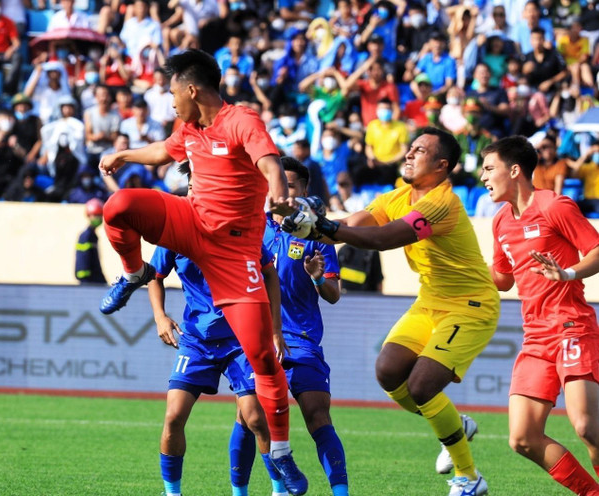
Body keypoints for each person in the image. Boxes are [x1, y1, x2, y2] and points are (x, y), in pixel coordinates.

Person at [97, 49, 307, 494]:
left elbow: (269, 161)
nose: (170, 102)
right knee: (118, 206)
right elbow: (160, 152)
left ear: (191, 89)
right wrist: (124, 155)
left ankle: (284, 454)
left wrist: (280, 192)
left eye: (172, 92)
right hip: (190, 225)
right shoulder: (189, 128)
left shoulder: (241, 120)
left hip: (234, 253)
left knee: (266, 360)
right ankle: (132, 273)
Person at [284, 128, 497, 496]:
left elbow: (383, 239)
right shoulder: (397, 196)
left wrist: (322, 225)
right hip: (431, 301)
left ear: (442, 165)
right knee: (388, 371)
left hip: (471, 305)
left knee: (423, 385)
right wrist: (312, 228)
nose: (410, 154)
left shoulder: (441, 203)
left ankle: (468, 477)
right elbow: (348, 227)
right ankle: (455, 427)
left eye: (420, 150)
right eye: (410, 147)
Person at [150, 163, 290, 496]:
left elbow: (269, 273)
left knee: (256, 418)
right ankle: (172, 493)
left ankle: (278, 490)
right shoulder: (175, 227)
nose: (200, 191)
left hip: (241, 339)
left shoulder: (239, 225)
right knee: (173, 418)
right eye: (195, 185)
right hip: (197, 339)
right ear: (190, 188)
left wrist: (274, 329)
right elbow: (154, 275)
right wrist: (160, 316)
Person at [480, 136, 599, 496]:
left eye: (489, 169)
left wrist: (567, 273)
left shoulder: (554, 205)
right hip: (535, 337)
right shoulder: (500, 222)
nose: (483, 178)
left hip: (571, 326)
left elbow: (596, 249)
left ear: (514, 170)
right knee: (522, 438)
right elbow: (501, 279)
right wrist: (459, 263)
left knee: (587, 428)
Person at [263, 157, 349, 496]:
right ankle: (275, 490)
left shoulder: (318, 235)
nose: (282, 192)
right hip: (257, 338)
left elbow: (333, 295)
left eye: (290, 186)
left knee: (317, 416)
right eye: (277, 185)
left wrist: (316, 278)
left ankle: (340, 493)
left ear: (303, 192)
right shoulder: (252, 227)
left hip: (301, 338)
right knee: (253, 419)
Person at [75, 198, 107, 285]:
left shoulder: (92, 235)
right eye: (96, 215)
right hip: (89, 281)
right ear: (89, 216)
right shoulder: (86, 236)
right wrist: (85, 280)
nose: (99, 218)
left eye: (100, 215)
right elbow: (83, 258)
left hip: (95, 279)